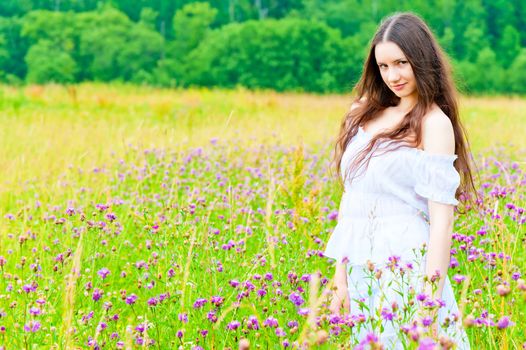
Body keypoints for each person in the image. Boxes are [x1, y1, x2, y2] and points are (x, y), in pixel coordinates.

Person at [324, 12, 475, 348]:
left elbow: (441, 221)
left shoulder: (433, 123)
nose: (393, 75)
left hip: (406, 264)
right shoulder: (362, 111)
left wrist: (429, 298)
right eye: (384, 66)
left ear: (421, 60)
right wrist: (341, 276)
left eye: (402, 63)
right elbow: (351, 203)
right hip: (361, 264)